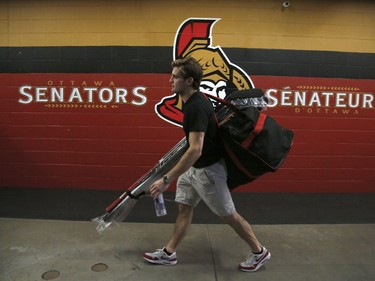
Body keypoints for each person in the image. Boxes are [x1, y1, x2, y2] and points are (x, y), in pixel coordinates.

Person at [143, 57, 271, 272]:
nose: (170, 80)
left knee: (228, 215)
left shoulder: (196, 107)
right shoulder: (192, 102)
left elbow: (195, 149)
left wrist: (167, 179)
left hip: (208, 172)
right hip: (193, 169)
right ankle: (169, 253)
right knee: (184, 207)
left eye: (175, 77)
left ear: (189, 80)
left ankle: (260, 252)